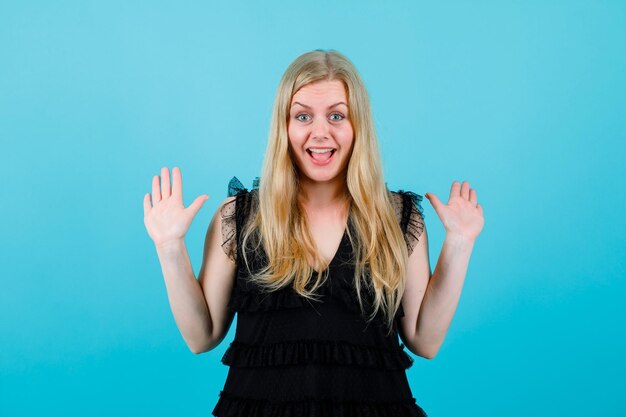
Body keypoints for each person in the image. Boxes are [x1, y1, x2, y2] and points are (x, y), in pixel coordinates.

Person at [143, 49, 484, 417]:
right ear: (284, 126)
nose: (320, 132)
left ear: (359, 127)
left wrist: (460, 244)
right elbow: (201, 337)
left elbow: (425, 341)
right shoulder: (238, 217)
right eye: (303, 116)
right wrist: (169, 247)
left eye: (337, 115)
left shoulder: (398, 217)